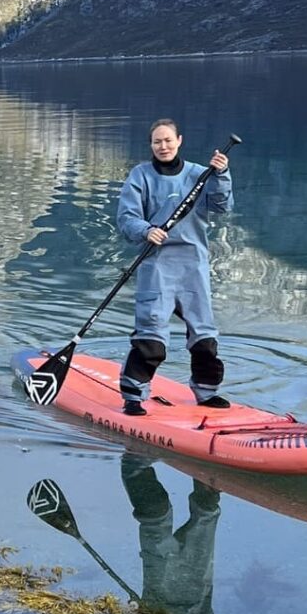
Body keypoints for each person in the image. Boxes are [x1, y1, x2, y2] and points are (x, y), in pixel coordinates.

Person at [114, 118, 233, 417]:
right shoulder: (140, 176)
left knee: (204, 336)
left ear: (179, 140)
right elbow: (126, 219)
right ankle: (133, 397)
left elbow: (222, 206)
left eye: (168, 140)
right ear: (151, 145)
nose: (163, 146)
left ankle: (207, 394)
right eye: (157, 141)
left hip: (193, 266)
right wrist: (146, 230)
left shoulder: (199, 174)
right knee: (151, 336)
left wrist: (222, 174)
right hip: (157, 267)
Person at [119, 453, 238, 614]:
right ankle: (205, 454)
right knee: (206, 508)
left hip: (161, 591)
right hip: (197, 585)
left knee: (155, 516)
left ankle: (133, 460)